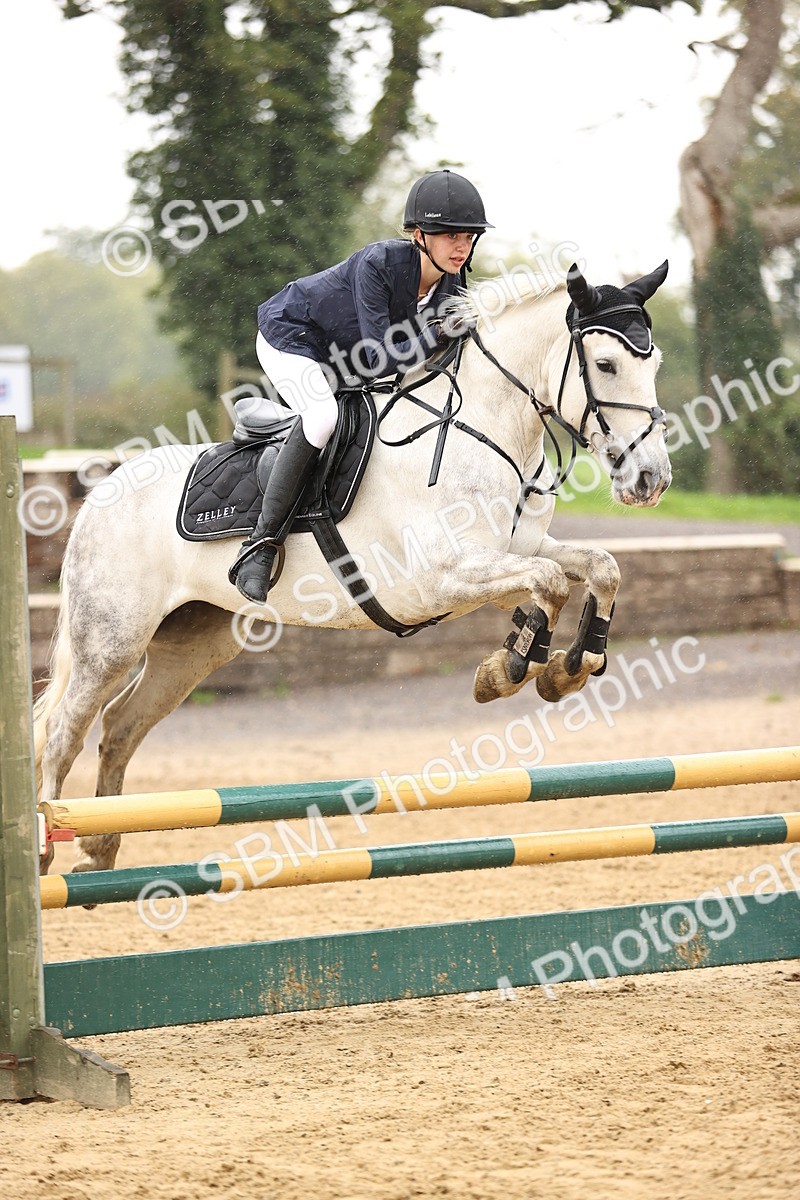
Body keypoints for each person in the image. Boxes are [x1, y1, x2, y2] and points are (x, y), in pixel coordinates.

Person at [228, 168, 493, 604]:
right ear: (419, 235)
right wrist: (436, 334)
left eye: (468, 236)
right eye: (450, 235)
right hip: (292, 335)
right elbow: (377, 359)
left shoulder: (452, 282)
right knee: (322, 417)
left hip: (343, 360)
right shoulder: (379, 264)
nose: (461, 246)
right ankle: (259, 546)